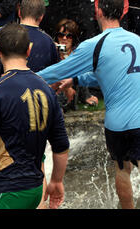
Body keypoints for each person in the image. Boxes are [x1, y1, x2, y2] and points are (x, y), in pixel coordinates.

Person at [37, 0, 140, 209]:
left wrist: (22, 75)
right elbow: (112, 74)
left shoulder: (94, 44)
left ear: (98, 11)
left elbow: (60, 70)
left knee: (122, 170)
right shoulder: (137, 40)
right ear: (124, 11)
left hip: (117, 124)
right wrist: (76, 80)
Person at [0, 23, 69, 209]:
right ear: (29, 50)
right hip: (36, 189)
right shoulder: (46, 90)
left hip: (6, 189)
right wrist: (57, 181)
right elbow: (61, 146)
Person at [0, 0, 59, 87]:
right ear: (41, 16)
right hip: (36, 93)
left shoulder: (1, 33)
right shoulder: (49, 41)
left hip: (5, 91)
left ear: (19, 12)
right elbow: (54, 74)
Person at [53, 18, 99, 111]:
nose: (64, 38)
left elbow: (81, 77)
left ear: (73, 38)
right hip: (54, 101)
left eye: (69, 36)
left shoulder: (77, 55)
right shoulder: (51, 53)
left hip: (71, 104)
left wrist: (87, 96)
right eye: (61, 35)